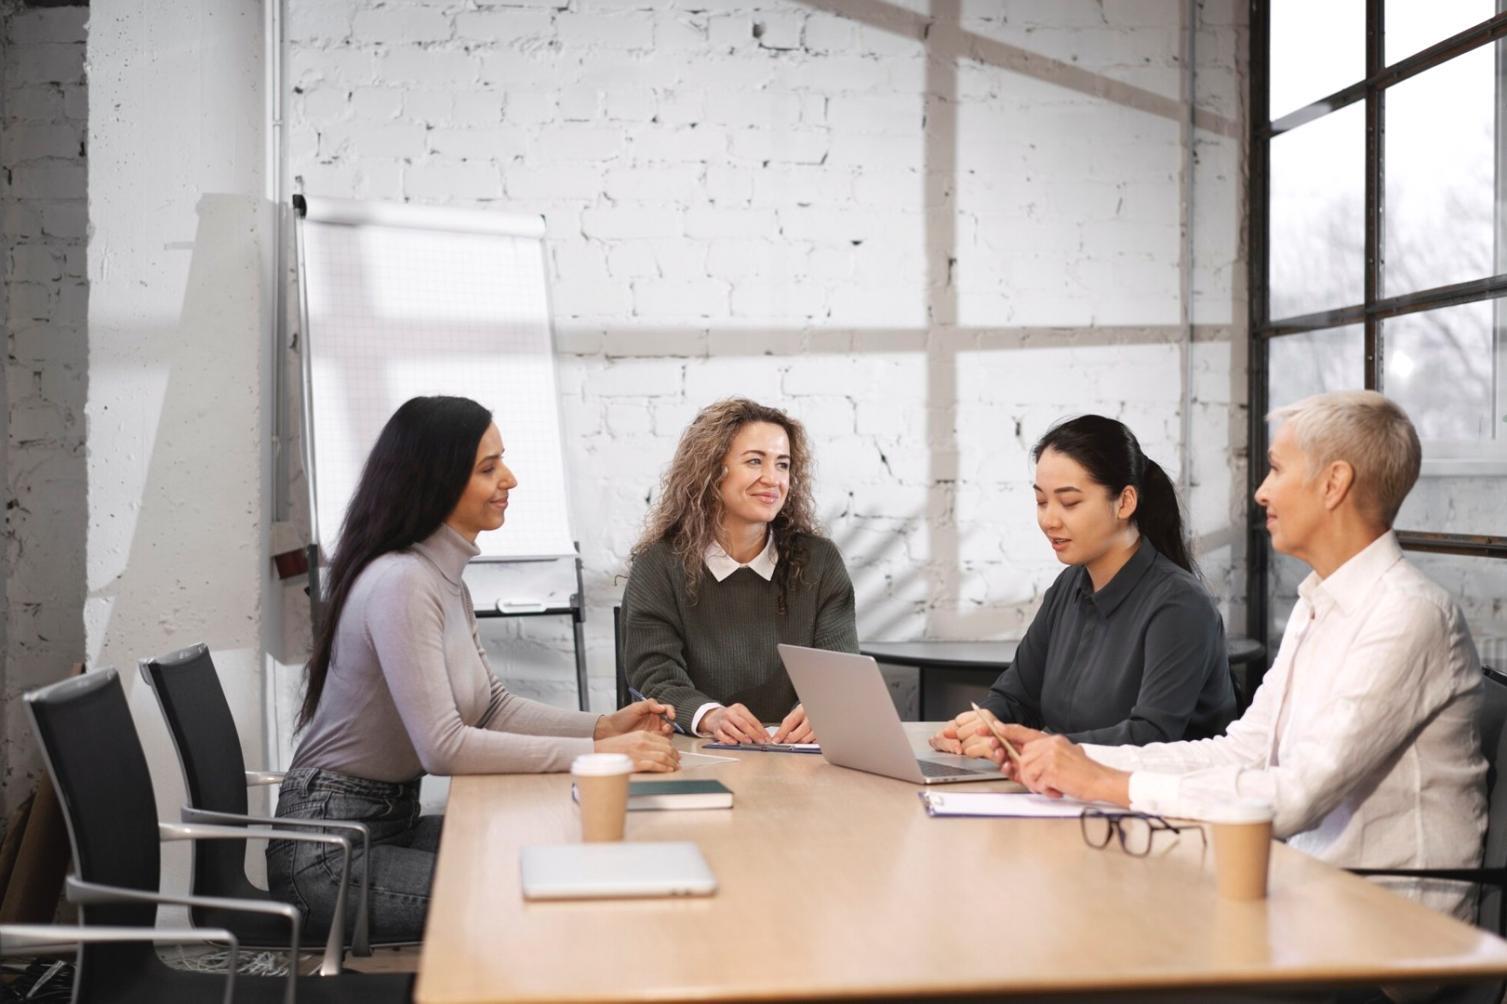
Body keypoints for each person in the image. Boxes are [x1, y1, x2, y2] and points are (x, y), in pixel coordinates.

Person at [977, 391, 1487, 921]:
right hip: (1301, 889)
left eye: (1277, 469)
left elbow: (1295, 796)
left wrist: (1107, 782)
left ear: (1333, 483)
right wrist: (1073, 759)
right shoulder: (1319, 604)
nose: (1261, 491)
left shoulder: (1407, 614)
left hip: (1385, 924)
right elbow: (1244, 751)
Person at [269, 396, 678, 944]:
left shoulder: (441, 580)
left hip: (385, 824)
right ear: (435, 481)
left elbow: (491, 708)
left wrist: (603, 727)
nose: (509, 479)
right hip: (329, 853)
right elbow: (444, 748)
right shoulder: (402, 582)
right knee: (538, 892)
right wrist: (598, 755)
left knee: (554, 856)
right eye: (488, 468)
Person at [931, 415, 1235, 755]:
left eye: (1069, 503)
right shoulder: (1069, 587)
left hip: (1157, 788)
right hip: (1066, 782)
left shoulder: (1180, 605)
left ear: (1125, 502)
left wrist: (1039, 746)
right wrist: (984, 724)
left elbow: (1150, 737)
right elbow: (1018, 697)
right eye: (1041, 501)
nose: (1049, 520)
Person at [623, 397, 858, 745]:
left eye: (782, 464)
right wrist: (710, 716)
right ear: (711, 471)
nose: (773, 479)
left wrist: (821, 709)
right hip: (698, 754)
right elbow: (654, 676)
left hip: (801, 756)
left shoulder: (819, 562)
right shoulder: (658, 566)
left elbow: (839, 672)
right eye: (754, 461)